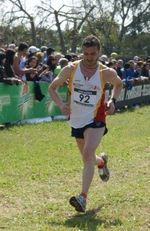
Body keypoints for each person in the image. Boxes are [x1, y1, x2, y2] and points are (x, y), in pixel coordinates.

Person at [47, 35, 123, 213]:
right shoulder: (70, 69)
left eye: (93, 54)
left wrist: (113, 100)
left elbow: (119, 84)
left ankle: (82, 198)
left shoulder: (106, 73)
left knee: (88, 153)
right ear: (82, 52)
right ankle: (102, 162)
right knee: (88, 157)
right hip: (77, 119)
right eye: (86, 54)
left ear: (99, 52)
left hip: (96, 118)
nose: (89, 58)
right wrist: (61, 104)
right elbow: (52, 87)